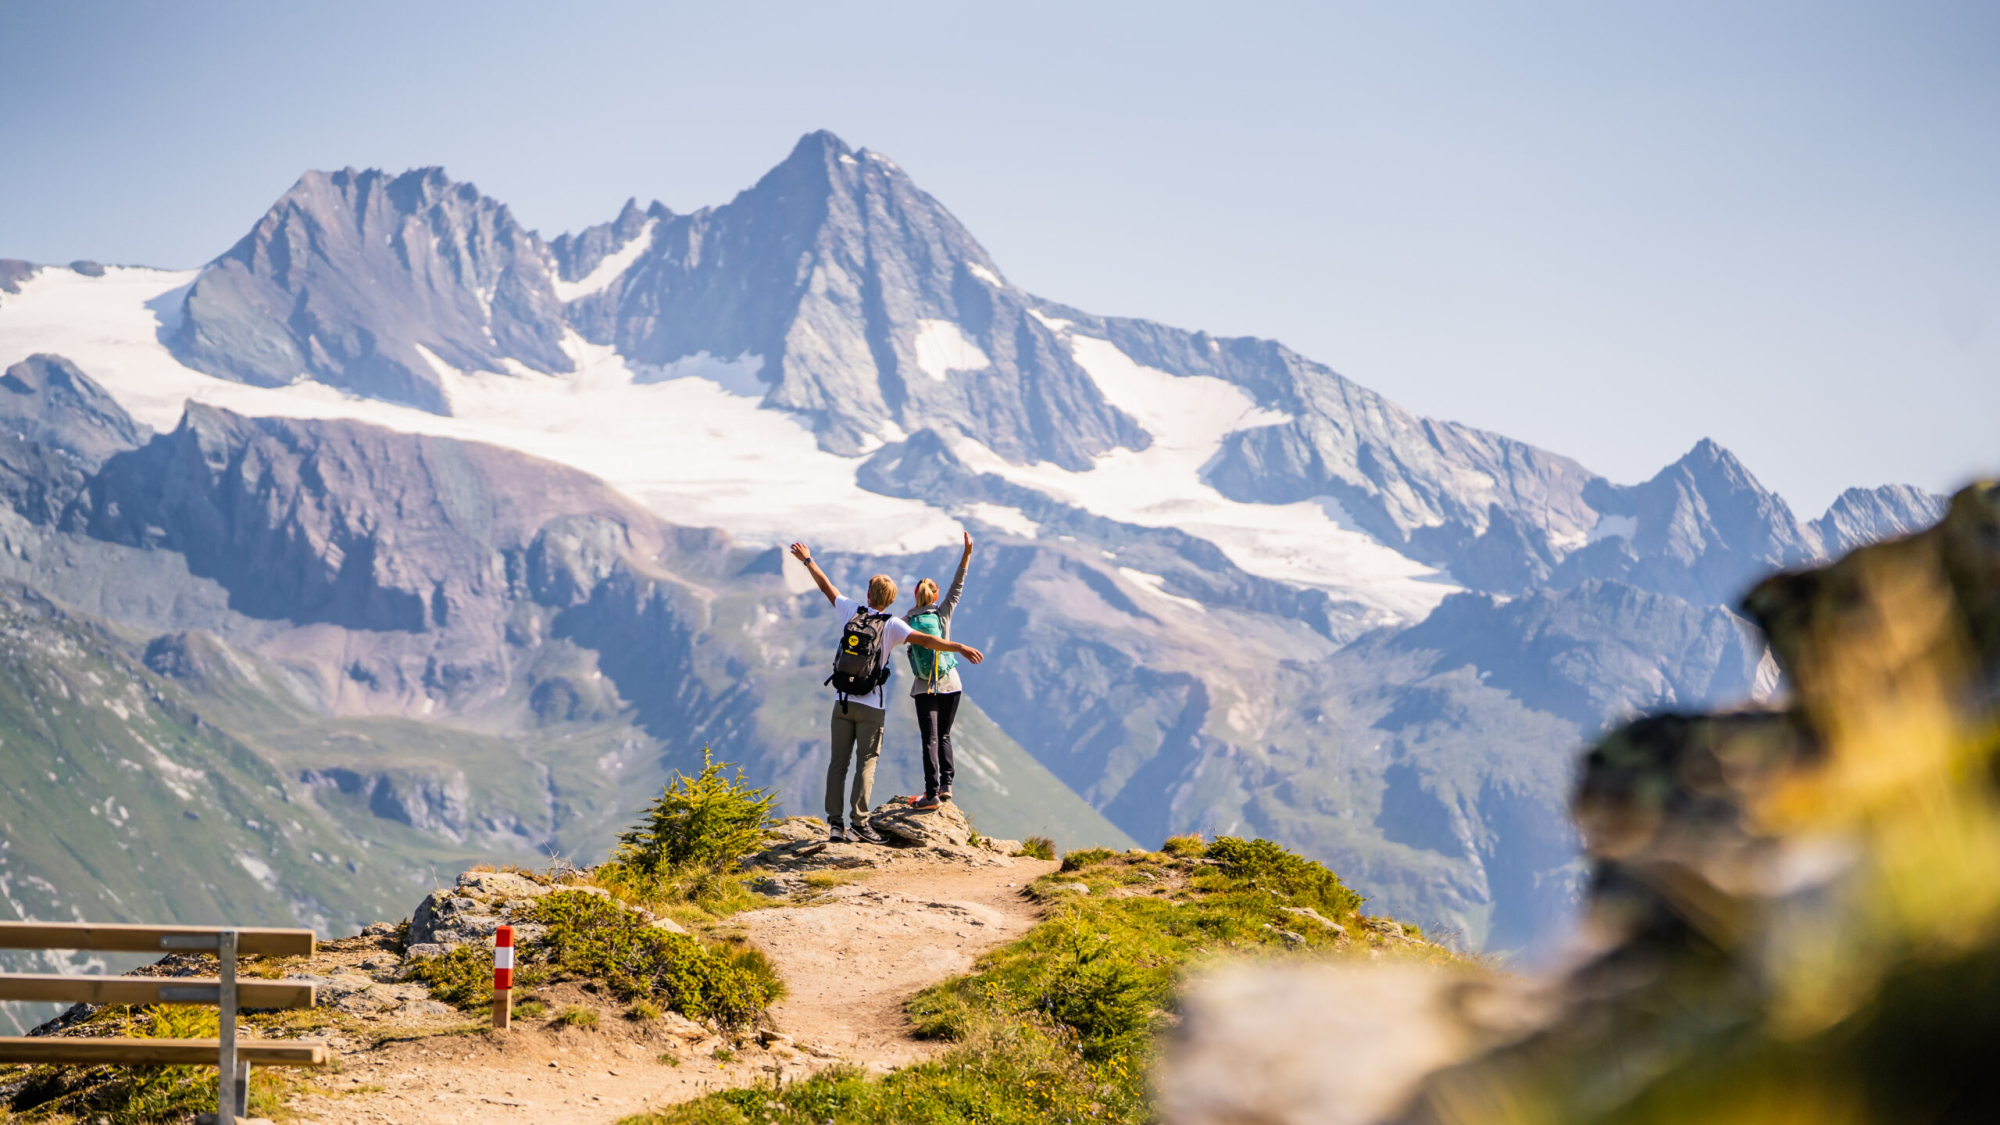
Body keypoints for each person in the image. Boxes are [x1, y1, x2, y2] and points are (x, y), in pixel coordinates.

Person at [789, 542, 984, 844]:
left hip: (841, 701)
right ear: (892, 600)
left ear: (868, 596)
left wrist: (808, 560)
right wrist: (958, 646)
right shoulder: (893, 625)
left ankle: (835, 826)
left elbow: (826, 587)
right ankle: (859, 823)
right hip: (871, 705)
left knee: (837, 764)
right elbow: (928, 641)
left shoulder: (850, 610)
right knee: (866, 763)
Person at [904, 531, 975, 811]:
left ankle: (930, 794)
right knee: (944, 735)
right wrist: (967, 554)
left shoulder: (906, 621)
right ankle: (946, 787)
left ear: (915, 595)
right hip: (951, 684)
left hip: (925, 687)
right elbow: (957, 586)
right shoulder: (942, 612)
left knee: (930, 738)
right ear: (935, 594)